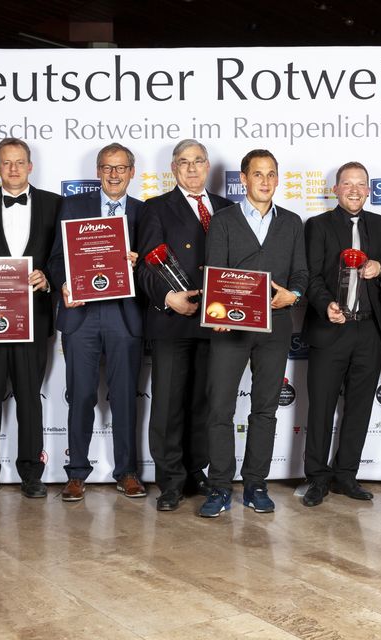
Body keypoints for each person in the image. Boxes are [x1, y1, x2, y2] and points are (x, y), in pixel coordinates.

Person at [199, 149, 308, 517]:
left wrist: (293, 295)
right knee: (220, 408)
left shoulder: (292, 222)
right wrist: (216, 309)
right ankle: (219, 486)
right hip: (230, 328)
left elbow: (301, 275)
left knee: (265, 408)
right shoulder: (224, 221)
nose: (265, 181)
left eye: (271, 174)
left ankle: (256, 484)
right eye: (258, 174)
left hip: (275, 327)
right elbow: (215, 271)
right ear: (243, 179)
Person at [0, 138, 62, 501]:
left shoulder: (54, 204)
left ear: (30, 166)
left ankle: (31, 474)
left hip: (34, 317)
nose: (14, 169)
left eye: (20, 162)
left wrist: (48, 278)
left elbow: (61, 257)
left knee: (29, 398)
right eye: (7, 163)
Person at [137, 139, 231, 511]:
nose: (192, 168)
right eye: (184, 162)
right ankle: (171, 481)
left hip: (216, 323)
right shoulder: (155, 208)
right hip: (172, 321)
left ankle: (196, 471)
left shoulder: (227, 208)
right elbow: (145, 266)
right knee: (168, 405)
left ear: (208, 166)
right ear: (174, 168)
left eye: (198, 161)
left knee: (203, 403)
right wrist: (168, 297)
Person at [48, 142, 144, 502]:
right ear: (98, 171)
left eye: (120, 168)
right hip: (81, 314)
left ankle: (127, 472)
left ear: (132, 172)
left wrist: (138, 263)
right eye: (107, 167)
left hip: (124, 314)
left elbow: (154, 266)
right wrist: (64, 283)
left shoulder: (144, 212)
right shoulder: (73, 206)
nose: (113, 174)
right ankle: (76, 473)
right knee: (80, 395)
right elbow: (55, 259)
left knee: (125, 397)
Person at [300, 161, 381, 507]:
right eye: (347, 184)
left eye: (360, 184)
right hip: (330, 328)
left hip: (369, 329)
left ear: (368, 190)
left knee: (359, 407)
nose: (354, 190)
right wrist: (326, 305)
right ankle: (317, 478)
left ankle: (345, 475)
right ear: (336, 189)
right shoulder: (318, 225)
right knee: (321, 407)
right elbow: (310, 276)